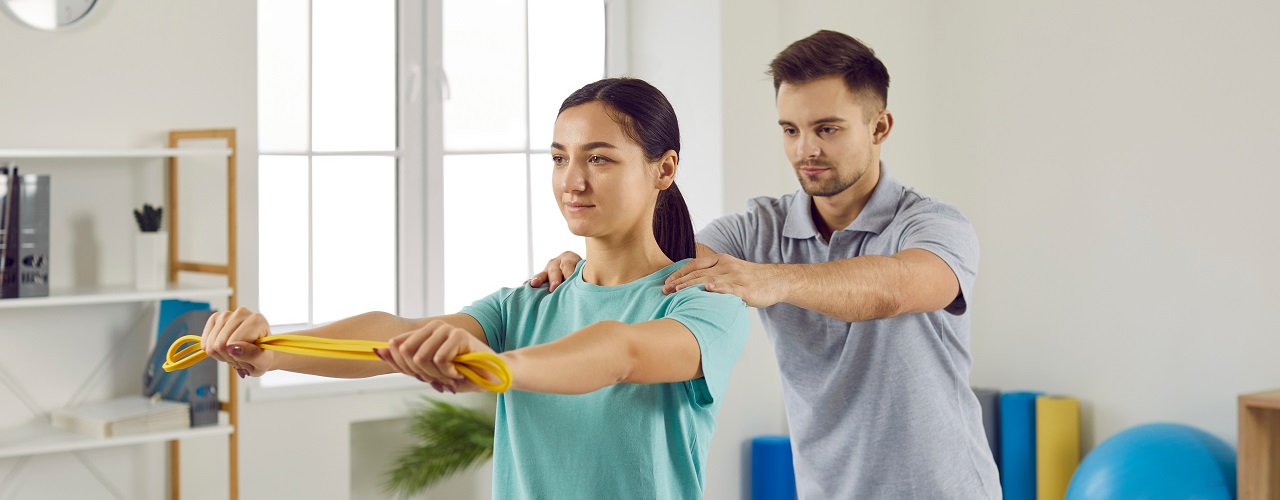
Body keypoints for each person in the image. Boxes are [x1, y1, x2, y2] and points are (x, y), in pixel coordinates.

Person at [201, 78, 750, 499]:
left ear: (664, 168)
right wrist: (274, 351)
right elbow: (401, 335)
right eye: (560, 158)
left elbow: (621, 352)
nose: (572, 181)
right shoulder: (529, 301)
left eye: (599, 158)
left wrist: (498, 367)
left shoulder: (704, 303)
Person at [531, 31, 1000, 498]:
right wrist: (588, 266)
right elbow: (661, 260)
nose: (805, 150)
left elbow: (897, 287)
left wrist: (770, 278)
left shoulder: (933, 224)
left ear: (879, 127)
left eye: (827, 129)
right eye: (790, 130)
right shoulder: (759, 230)